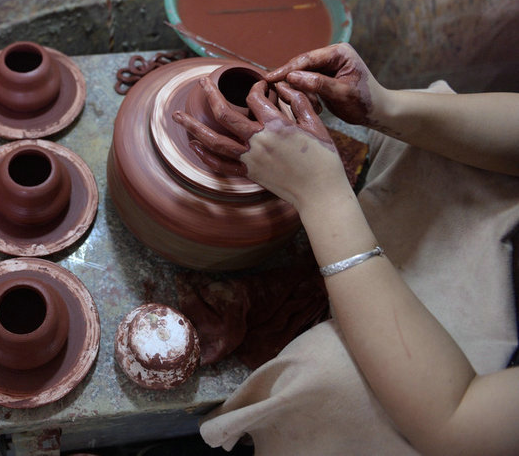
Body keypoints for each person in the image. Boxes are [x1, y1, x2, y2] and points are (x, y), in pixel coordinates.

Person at [172, 43, 519, 455]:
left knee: (329, 381)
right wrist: (385, 106)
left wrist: (322, 197)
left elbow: (458, 423)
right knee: (431, 119)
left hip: (478, 399)